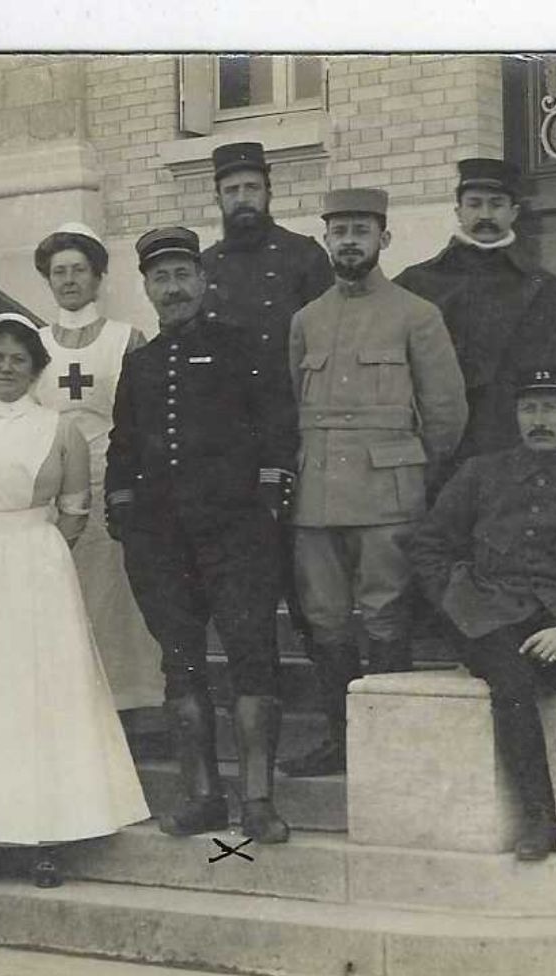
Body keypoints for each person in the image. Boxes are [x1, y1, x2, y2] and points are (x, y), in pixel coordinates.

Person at [0, 315, 150, 887]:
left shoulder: (59, 431)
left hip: (37, 564)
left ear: (35, 369)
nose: (6, 368)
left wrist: (32, 546)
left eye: (18, 359)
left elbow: (76, 511)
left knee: (39, 692)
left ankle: (48, 835)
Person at [404, 368, 556, 861]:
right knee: (510, 683)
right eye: (529, 408)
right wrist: (458, 601)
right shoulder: (479, 475)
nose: (540, 420)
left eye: (553, 408)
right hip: (490, 614)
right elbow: (428, 545)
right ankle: (539, 818)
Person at [106, 226, 299, 843]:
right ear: (147, 289)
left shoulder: (241, 347)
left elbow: (276, 428)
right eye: (160, 278)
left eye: (182, 275)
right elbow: (123, 446)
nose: (173, 288)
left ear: (202, 281)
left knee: (252, 662)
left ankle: (258, 802)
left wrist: (268, 504)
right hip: (163, 542)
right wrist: (125, 513)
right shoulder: (137, 365)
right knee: (180, 667)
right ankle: (203, 798)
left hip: (237, 535)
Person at [279, 188, 468, 778]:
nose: (350, 241)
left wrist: (410, 468)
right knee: (325, 615)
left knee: (385, 613)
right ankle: (341, 739)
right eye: (340, 230)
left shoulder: (416, 314)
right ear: (326, 239)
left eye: (362, 230)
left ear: (384, 239)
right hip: (317, 493)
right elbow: (293, 401)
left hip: (389, 493)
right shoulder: (307, 320)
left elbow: (446, 412)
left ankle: (388, 743)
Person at [200, 141, 335, 657]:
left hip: (296, 435)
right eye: (231, 190)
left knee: (311, 586)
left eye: (251, 188)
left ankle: (336, 723)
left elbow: (328, 342)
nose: (242, 199)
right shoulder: (203, 265)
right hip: (232, 449)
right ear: (217, 197)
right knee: (248, 586)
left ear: (269, 191)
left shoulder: (303, 257)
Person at [26, 223, 165, 713]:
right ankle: (69, 704)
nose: (69, 280)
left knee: (118, 593)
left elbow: (146, 416)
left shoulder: (127, 339)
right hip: (52, 490)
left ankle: (131, 699)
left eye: (78, 270)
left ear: (98, 276)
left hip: (113, 483)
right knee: (64, 593)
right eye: (58, 272)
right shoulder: (34, 344)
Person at [395, 157, 556, 474]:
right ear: (458, 211)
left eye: (497, 204)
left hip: (511, 448)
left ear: (514, 212)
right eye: (474, 204)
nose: (485, 215)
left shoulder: (540, 286)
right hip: (434, 455)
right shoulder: (418, 282)